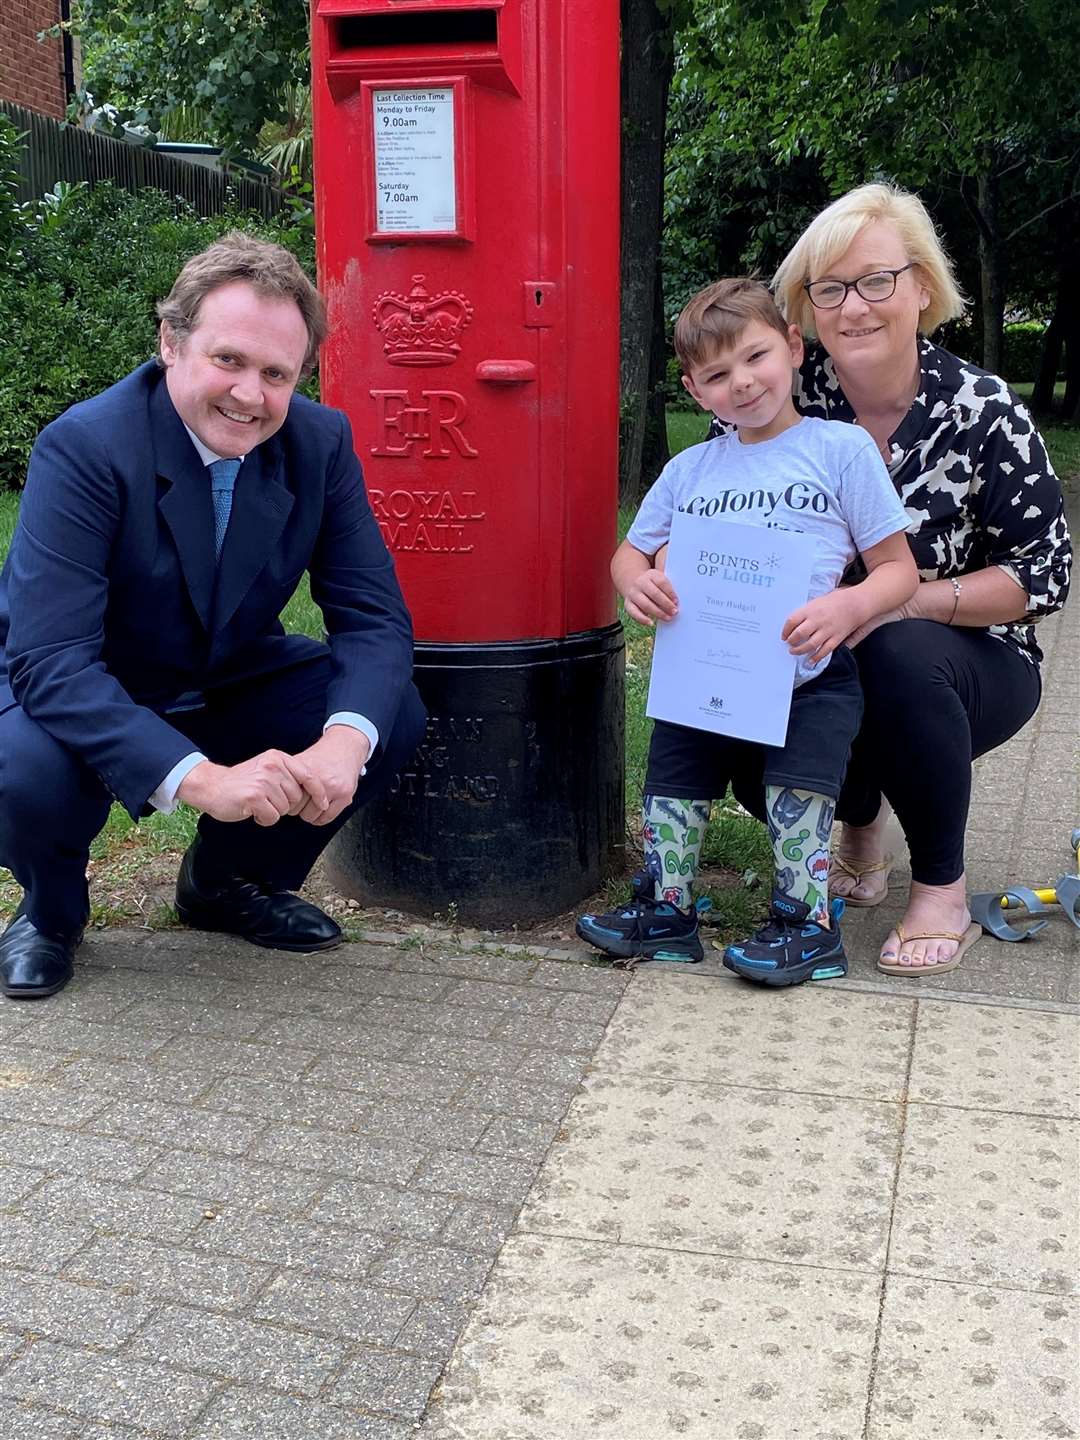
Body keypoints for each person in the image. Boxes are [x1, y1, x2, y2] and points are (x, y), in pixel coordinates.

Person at [0, 231, 426, 1000]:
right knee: (25, 769)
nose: (250, 395)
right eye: (228, 360)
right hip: (79, 680)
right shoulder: (86, 448)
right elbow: (51, 663)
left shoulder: (319, 442)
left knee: (383, 712)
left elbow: (372, 619)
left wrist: (341, 744)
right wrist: (201, 780)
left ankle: (228, 884)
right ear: (171, 342)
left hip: (223, 670)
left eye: (276, 373)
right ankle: (51, 912)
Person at [759, 182, 1072, 976]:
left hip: (970, 655)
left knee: (892, 653)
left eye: (876, 280)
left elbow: (1046, 575)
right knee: (747, 682)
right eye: (827, 289)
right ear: (805, 311)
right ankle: (859, 828)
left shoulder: (985, 411)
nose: (853, 307)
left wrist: (904, 601)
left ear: (922, 287)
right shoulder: (789, 404)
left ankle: (940, 887)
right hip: (822, 643)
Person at [576, 277, 918, 985]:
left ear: (794, 348)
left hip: (809, 669)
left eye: (756, 357)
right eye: (717, 375)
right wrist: (635, 581)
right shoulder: (690, 468)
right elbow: (629, 552)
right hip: (704, 668)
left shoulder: (840, 450)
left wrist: (848, 609)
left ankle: (805, 923)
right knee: (674, 779)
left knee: (800, 790)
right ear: (695, 391)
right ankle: (667, 909)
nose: (743, 383)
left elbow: (897, 570)